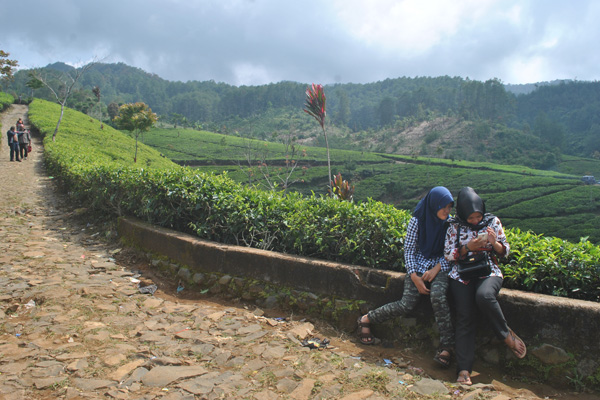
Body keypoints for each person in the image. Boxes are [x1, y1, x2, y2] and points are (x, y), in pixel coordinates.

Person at [356, 186, 455, 367]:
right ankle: (367, 319)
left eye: (450, 207)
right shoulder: (417, 221)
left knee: (438, 297)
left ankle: (446, 347)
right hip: (417, 267)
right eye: (444, 207)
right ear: (434, 205)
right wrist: (414, 276)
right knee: (406, 303)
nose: (447, 211)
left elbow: (450, 253)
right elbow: (409, 250)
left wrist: (436, 269)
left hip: (439, 268)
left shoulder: (450, 225)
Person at [444, 187, 526, 386]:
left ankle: (505, 333)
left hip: (488, 271)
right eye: (470, 218)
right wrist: (467, 248)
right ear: (463, 214)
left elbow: (504, 252)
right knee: (465, 317)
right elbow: (448, 254)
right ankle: (464, 370)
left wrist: (493, 243)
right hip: (461, 274)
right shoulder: (454, 226)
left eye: (477, 216)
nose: (474, 221)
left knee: (484, 296)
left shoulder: (492, 222)